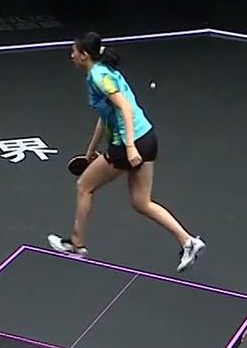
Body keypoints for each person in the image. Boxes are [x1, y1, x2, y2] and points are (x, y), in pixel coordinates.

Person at [48, 32, 205, 273]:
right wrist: (90, 152)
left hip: (129, 145)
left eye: (74, 52)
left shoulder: (99, 77)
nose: (71, 56)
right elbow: (105, 117)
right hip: (148, 137)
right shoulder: (104, 71)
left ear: (84, 55)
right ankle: (189, 241)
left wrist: (130, 147)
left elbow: (125, 108)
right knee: (142, 202)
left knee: (84, 186)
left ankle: (76, 245)